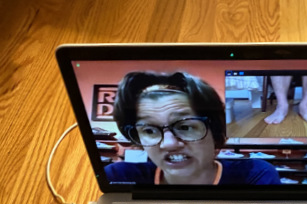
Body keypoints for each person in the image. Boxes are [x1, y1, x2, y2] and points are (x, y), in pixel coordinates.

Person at [106, 71, 281, 185]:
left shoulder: (255, 176)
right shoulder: (120, 177)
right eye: (149, 130)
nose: (168, 144)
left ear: (216, 132)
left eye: (185, 127)